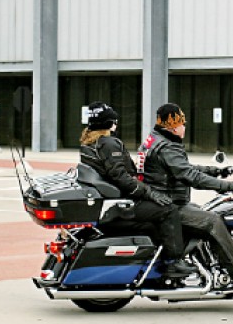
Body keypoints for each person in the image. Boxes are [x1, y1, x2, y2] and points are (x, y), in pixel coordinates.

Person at [137, 103, 233, 286]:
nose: (184, 127)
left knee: (205, 211)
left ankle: (207, 263)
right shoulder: (167, 147)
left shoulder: (155, 140)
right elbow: (190, 176)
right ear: (173, 125)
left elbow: (182, 168)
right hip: (168, 205)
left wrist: (215, 171)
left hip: (161, 202)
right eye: (182, 123)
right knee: (213, 221)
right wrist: (230, 186)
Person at [79, 101, 195, 277]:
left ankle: (156, 261)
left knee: (154, 221)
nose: (116, 124)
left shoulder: (89, 143)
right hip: (122, 204)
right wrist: (149, 192)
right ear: (109, 123)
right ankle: (173, 262)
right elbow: (121, 177)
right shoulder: (109, 143)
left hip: (111, 201)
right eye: (114, 120)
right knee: (168, 210)